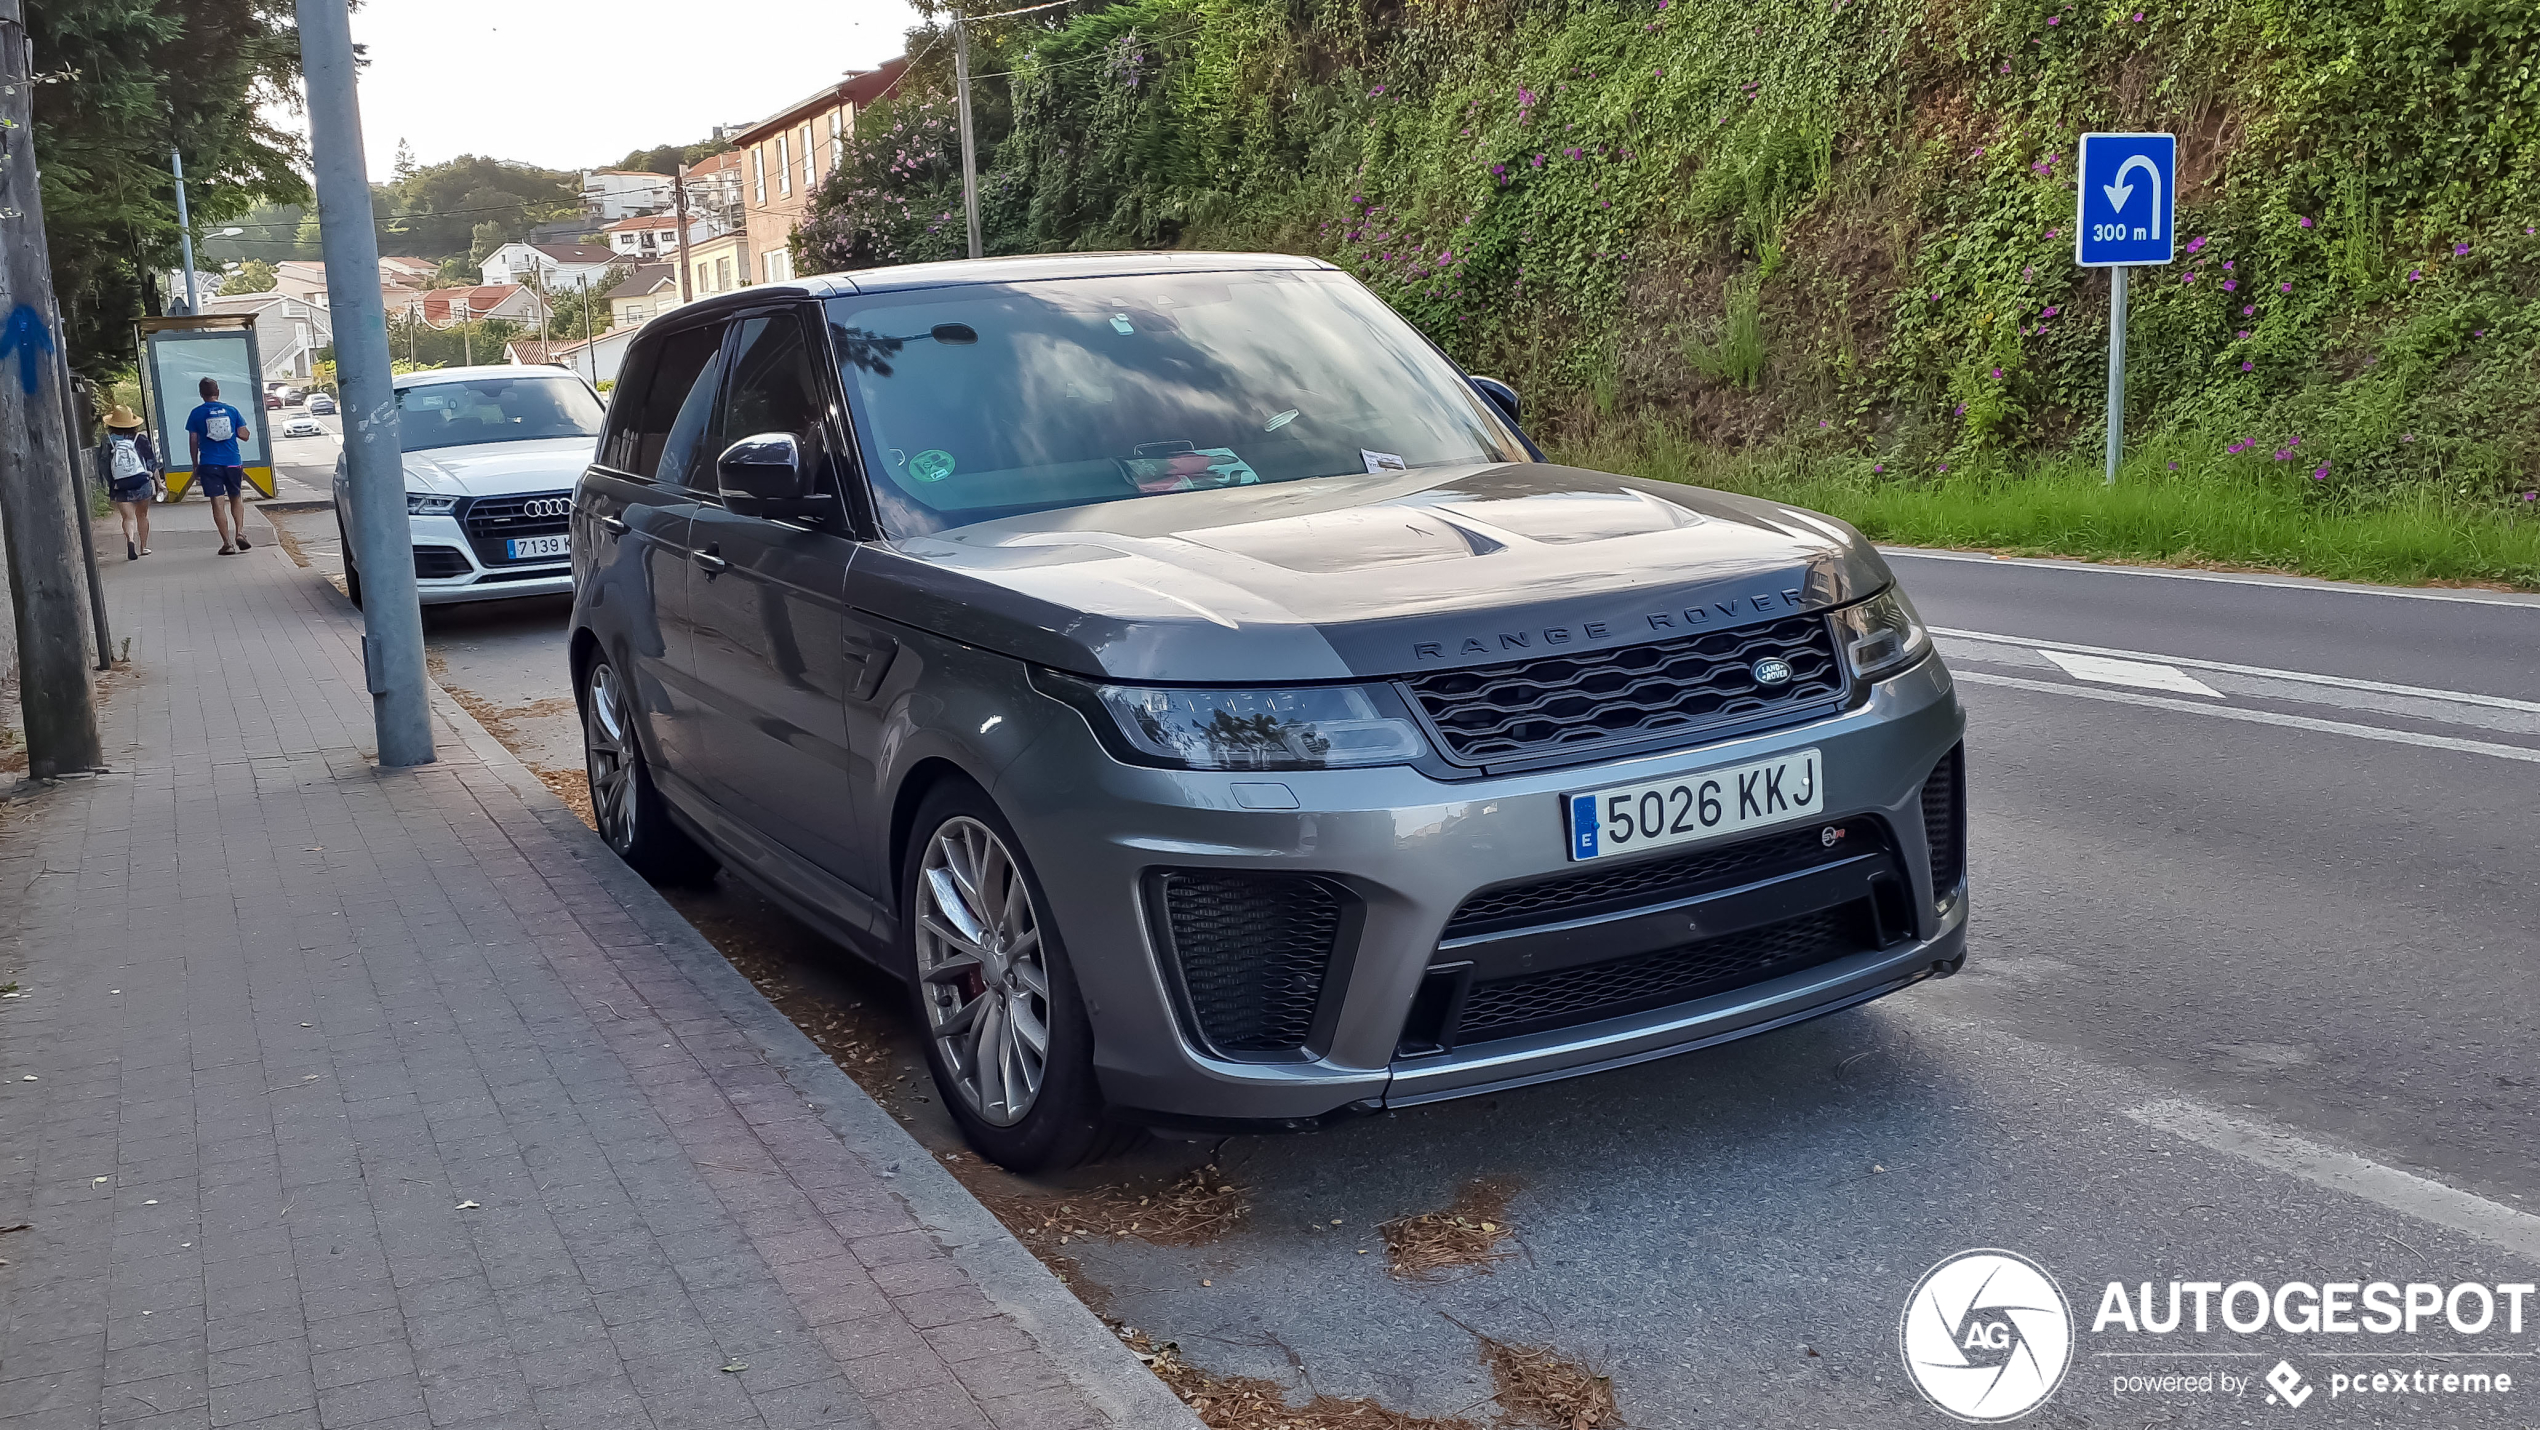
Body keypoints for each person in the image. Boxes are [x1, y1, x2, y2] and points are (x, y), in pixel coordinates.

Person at [184, 376, 256, 554]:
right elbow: (244, 435)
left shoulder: (196, 413)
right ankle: (240, 532)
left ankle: (227, 543)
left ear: (201, 394)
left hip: (209, 463)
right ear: (218, 392)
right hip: (232, 462)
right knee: (236, 497)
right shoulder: (232, 410)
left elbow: (193, 440)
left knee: (217, 503)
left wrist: (195, 464)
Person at [104, 405, 160, 559]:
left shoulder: (108, 441)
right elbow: (151, 463)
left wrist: (111, 483)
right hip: (142, 482)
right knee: (142, 515)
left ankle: (130, 540)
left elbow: (103, 466)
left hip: (120, 485)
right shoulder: (140, 439)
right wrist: (159, 483)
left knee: (128, 518)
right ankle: (143, 547)